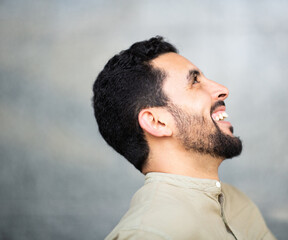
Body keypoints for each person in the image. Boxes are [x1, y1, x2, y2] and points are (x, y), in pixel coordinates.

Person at [92, 36, 276, 240]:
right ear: (157, 122)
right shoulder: (148, 234)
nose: (223, 90)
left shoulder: (238, 203)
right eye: (195, 81)